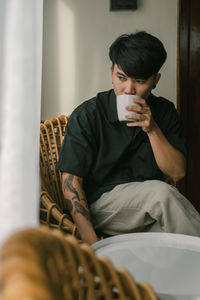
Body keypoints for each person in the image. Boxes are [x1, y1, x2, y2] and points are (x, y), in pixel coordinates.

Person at [57, 31, 200, 245]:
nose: (128, 90)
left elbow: (177, 172)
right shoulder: (88, 115)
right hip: (101, 206)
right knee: (162, 194)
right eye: (121, 78)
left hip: (148, 209)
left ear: (155, 80)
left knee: (169, 240)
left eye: (140, 81)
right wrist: (91, 240)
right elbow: (71, 181)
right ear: (112, 72)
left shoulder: (164, 111)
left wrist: (152, 129)